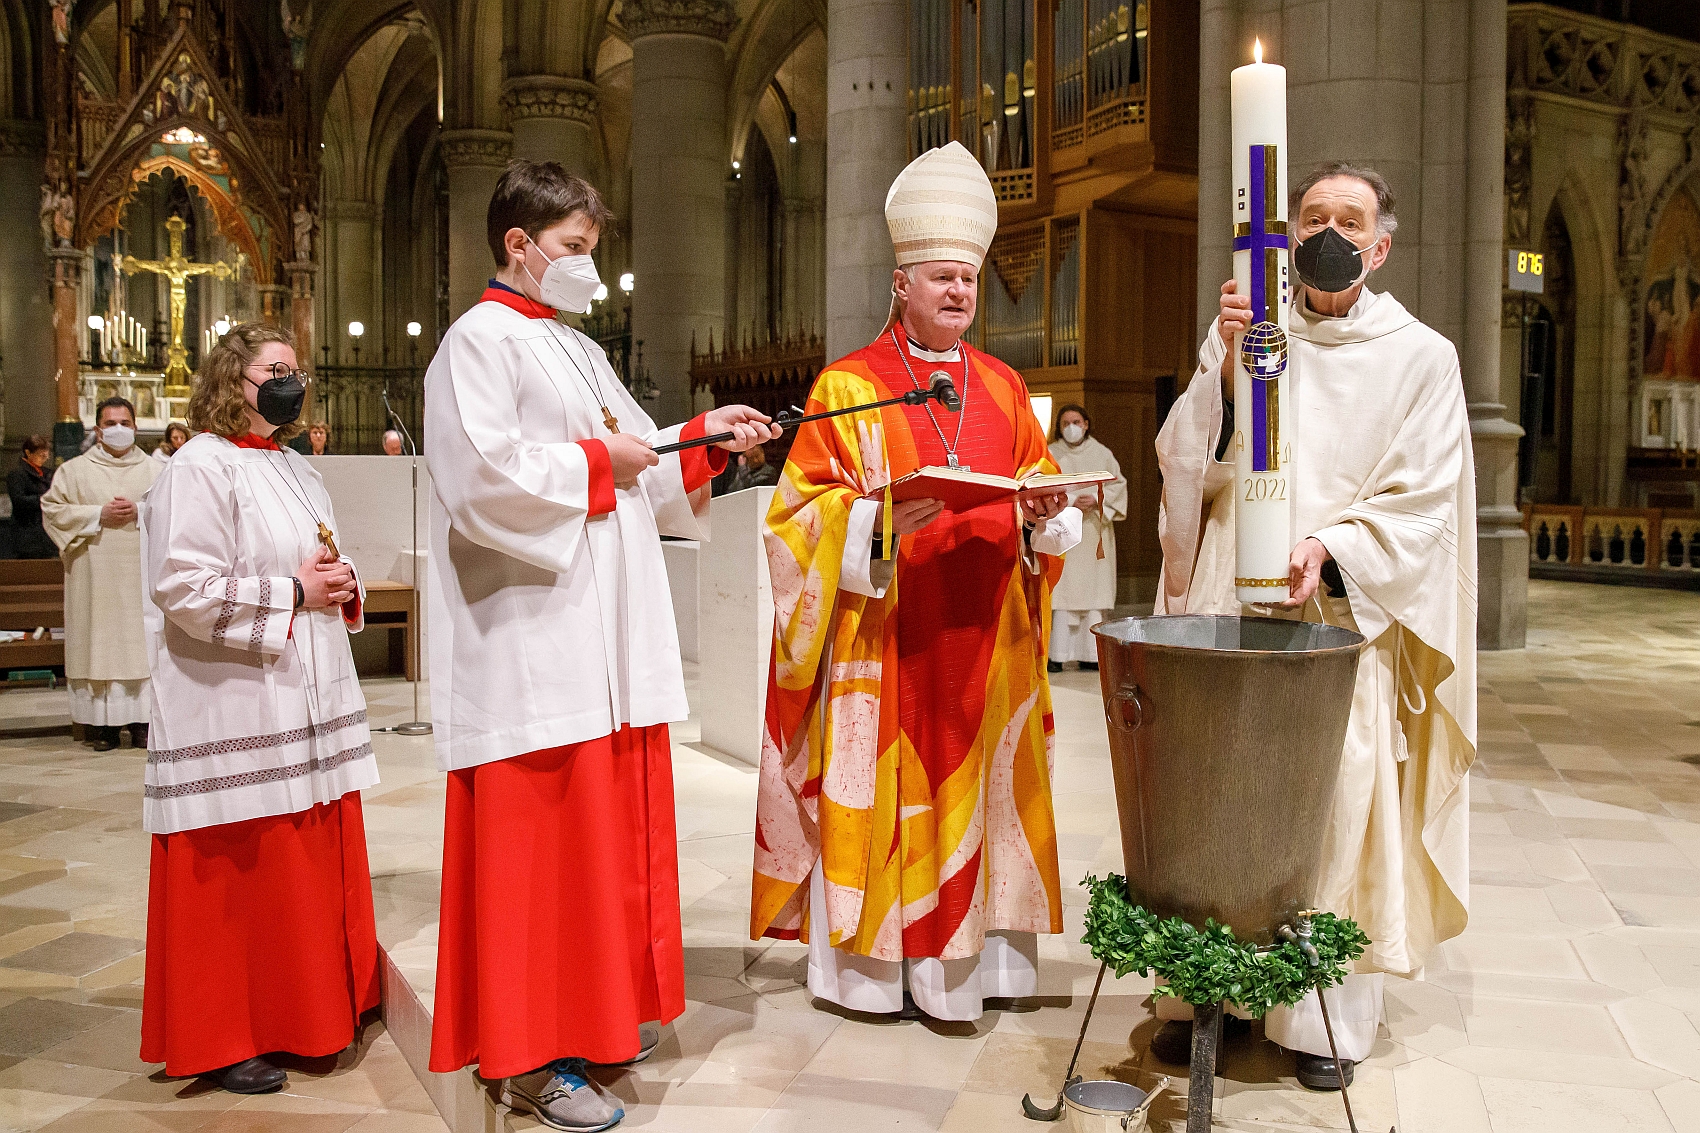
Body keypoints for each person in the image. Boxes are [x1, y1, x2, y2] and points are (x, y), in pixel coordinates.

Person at [424, 159, 779, 1132]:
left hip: (609, 647)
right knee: (541, 861)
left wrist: (704, 435)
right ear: (519, 244)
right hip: (534, 649)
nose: (588, 266)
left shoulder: (577, 351)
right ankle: (533, 1056)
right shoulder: (476, 343)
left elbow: (643, 466)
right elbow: (477, 476)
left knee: (600, 854)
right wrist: (597, 461)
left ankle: (595, 1018)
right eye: (575, 249)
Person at [1151, 161, 1476, 1089]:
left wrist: (1332, 544)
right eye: (1312, 215)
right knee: (1213, 785)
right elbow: (1189, 453)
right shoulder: (1253, 329)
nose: (1328, 230)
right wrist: (1220, 364)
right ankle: (1204, 993)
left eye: (1351, 218)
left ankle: (1319, 1017)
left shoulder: (1421, 356)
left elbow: (1425, 498)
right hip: (1231, 591)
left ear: (1380, 246)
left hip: (1337, 604)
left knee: (1331, 800)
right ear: (1287, 232)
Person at [752, 140, 1080, 1022]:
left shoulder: (1006, 387)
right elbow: (794, 519)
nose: (959, 294)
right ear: (901, 283)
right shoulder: (848, 386)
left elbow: (1040, 492)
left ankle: (968, 975)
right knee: (888, 787)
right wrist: (873, 524)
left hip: (987, 642)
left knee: (984, 793)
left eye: (968, 281)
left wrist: (1047, 512)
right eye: (941, 278)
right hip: (887, 641)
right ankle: (873, 973)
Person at [138, 322, 380, 1095]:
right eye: (276, 369)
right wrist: (295, 594)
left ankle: (311, 1010)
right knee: (238, 875)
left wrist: (343, 586)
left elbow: (320, 562)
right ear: (230, 379)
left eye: (296, 369)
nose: (292, 380)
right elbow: (181, 588)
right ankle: (225, 1033)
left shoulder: (298, 468)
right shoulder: (199, 466)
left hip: (305, 698)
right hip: (234, 703)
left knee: (300, 857)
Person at [40, 398, 163, 751]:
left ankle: (143, 724)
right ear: (97, 429)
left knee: (141, 646)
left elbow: (179, 511)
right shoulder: (74, 470)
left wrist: (139, 512)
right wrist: (97, 515)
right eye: (110, 423)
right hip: (94, 577)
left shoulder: (158, 472)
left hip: (142, 578)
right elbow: (52, 510)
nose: (118, 429)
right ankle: (103, 728)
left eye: (125, 421)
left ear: (136, 427)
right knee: (100, 645)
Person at [1046, 405, 1127, 672]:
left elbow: (1118, 486)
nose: (1071, 426)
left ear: (1086, 423)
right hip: (1063, 531)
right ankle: (1057, 654)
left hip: (1093, 532)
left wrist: (1096, 499)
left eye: (1076, 421)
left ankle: (1090, 655)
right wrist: (1069, 500)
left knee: (1093, 595)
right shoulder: (1051, 453)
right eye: (1065, 422)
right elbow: (1041, 486)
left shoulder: (1102, 454)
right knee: (1062, 593)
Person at [7, 435, 57, 559]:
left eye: (46, 455)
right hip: (27, 533)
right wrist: (44, 499)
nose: (45, 458)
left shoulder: (47, 473)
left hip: (46, 532)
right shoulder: (17, 474)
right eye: (41, 455)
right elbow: (19, 501)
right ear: (28, 453)